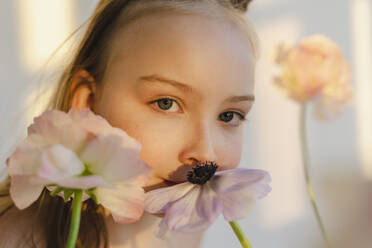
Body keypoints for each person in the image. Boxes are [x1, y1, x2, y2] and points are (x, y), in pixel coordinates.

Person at [0, 0, 259, 247]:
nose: (206, 153)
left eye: (229, 115)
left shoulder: (187, 226)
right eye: (166, 103)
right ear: (89, 102)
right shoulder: (18, 237)